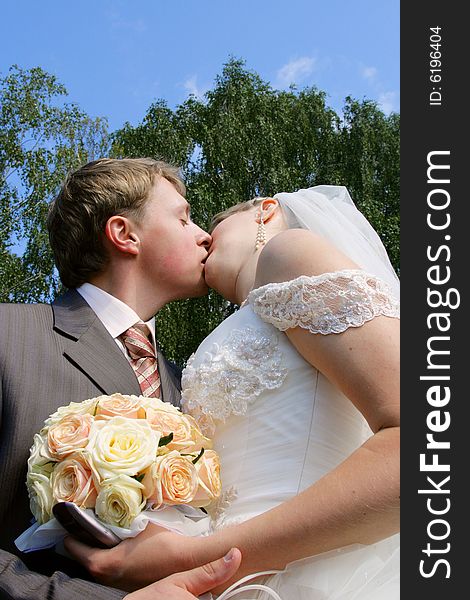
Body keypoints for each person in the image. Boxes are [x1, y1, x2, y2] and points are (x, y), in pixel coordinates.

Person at [67, 185, 400, 599]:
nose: (204, 238)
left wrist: (190, 558)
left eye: (214, 226)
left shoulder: (289, 252)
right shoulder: (241, 324)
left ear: (265, 211)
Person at [0, 157, 226, 599]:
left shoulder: (190, 385)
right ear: (125, 234)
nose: (205, 235)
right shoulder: (9, 336)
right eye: (183, 217)